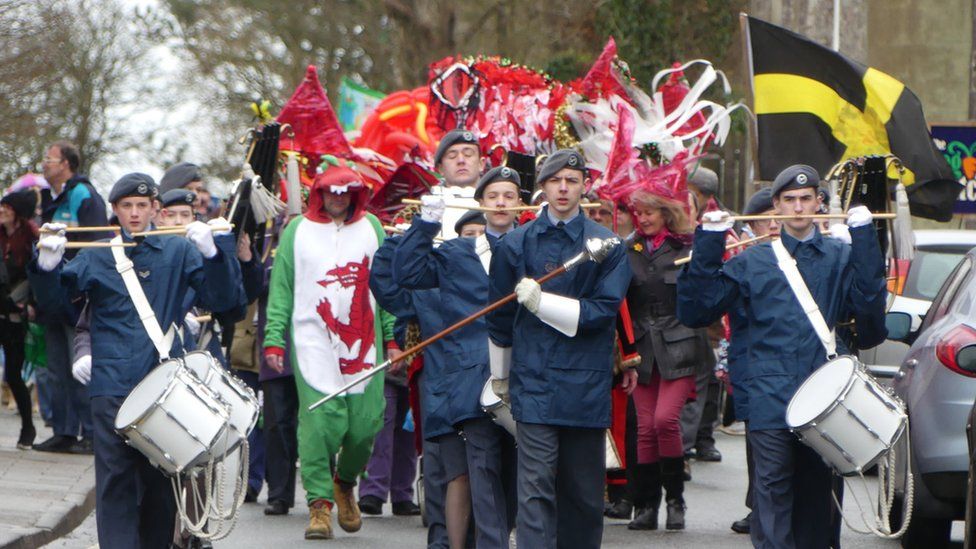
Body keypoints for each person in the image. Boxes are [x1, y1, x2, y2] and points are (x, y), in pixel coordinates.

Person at [677, 164, 888, 549]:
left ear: (819, 203)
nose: (797, 207)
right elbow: (697, 311)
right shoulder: (750, 261)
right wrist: (707, 241)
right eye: (788, 200)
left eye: (805, 198)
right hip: (768, 396)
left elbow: (871, 318)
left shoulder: (840, 257)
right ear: (775, 206)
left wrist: (866, 241)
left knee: (818, 496)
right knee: (771, 493)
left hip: (825, 398)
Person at [29, 173, 240, 549]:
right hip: (112, 386)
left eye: (143, 205)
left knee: (161, 486)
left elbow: (225, 302)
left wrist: (214, 254)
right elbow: (56, 306)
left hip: (164, 386)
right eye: (127, 206)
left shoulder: (178, 252)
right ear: (115, 211)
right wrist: (46, 267)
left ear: (155, 209)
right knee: (115, 482)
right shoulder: (97, 253)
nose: (135, 213)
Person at [487, 149, 634, 549]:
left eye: (572, 180)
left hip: (585, 385)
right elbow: (498, 320)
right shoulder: (515, 244)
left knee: (583, 495)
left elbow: (602, 313)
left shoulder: (608, 245)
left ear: (585, 185)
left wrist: (542, 304)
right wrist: (500, 374)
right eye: (555, 180)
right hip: (533, 383)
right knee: (534, 490)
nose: (564, 188)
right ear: (543, 187)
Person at [394, 166, 526, 549]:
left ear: (519, 203)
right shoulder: (455, 251)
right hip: (472, 382)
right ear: (481, 204)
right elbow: (407, 273)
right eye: (493, 196)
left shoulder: (532, 246)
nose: (501, 202)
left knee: (517, 477)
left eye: (508, 195)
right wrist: (425, 224)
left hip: (524, 378)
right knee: (481, 473)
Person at [262, 159, 393, 540]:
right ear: (319, 193)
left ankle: (345, 481)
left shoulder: (372, 228)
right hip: (312, 340)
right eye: (331, 192)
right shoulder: (297, 231)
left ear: (356, 193)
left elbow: (383, 288)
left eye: (345, 192)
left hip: (365, 342)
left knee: (366, 424)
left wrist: (394, 335)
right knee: (319, 423)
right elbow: (282, 287)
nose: (338, 199)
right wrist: (274, 337)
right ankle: (319, 506)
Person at [623, 190, 714, 531]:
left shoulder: (685, 248)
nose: (643, 219)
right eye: (639, 213)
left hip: (680, 346)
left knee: (664, 421)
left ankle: (676, 500)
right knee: (645, 428)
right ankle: (647, 506)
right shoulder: (626, 249)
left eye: (650, 213)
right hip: (642, 350)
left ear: (666, 213)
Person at [35, 140, 108, 454]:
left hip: (74, 294)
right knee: (56, 367)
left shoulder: (83, 194)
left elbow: (94, 241)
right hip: (51, 292)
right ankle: (63, 430)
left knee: (79, 363)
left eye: (49, 159)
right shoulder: (47, 197)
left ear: (66, 163)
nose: (44, 164)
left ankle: (90, 432)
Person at [728, 186, 779, 536]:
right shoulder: (744, 262)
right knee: (756, 440)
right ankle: (757, 505)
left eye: (778, 219)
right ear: (753, 228)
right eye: (766, 222)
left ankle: (769, 507)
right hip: (749, 360)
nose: (775, 226)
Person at [0, 190, 39, 449]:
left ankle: (28, 427)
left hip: (16, 311)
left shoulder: (31, 235)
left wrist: (32, 303)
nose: (2, 211)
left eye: (7, 207)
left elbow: (38, 271)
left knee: (13, 373)